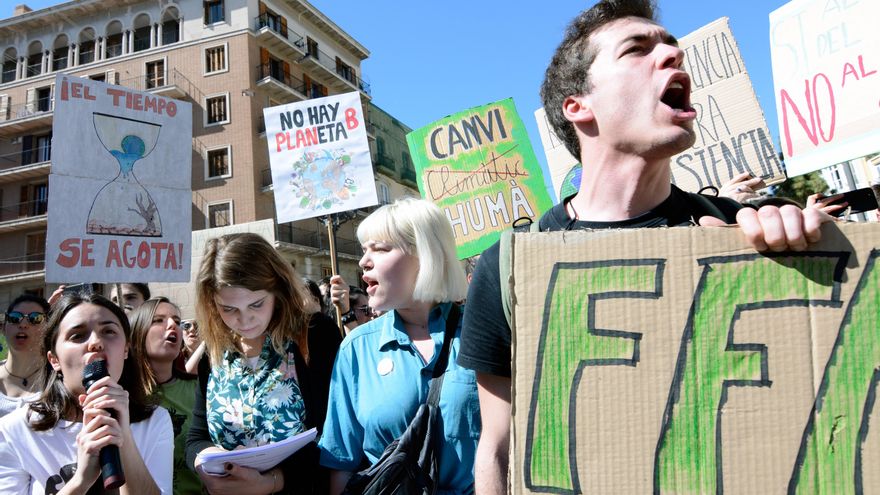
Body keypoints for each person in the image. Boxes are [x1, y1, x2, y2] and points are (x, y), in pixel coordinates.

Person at [456, 1, 835, 492]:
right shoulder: (511, 265)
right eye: (637, 50)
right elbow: (500, 446)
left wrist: (808, 259)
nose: (673, 57)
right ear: (578, 105)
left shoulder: (742, 229)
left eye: (672, 47)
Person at [319, 198, 479, 494]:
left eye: (379, 249)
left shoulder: (483, 333)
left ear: (425, 254)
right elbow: (341, 465)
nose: (363, 262)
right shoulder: (356, 350)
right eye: (364, 250)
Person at [185, 232, 341, 495]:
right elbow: (196, 438)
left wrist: (274, 481)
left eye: (256, 304)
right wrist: (205, 460)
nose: (244, 321)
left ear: (278, 290)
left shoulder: (315, 335)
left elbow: (335, 437)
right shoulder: (213, 352)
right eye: (228, 309)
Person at [0, 293, 173, 494]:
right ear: (54, 359)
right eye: (78, 335)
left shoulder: (155, 420)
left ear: (126, 349)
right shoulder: (14, 430)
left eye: (109, 331)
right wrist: (80, 481)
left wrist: (123, 435)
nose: (96, 342)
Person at [130, 297, 202, 494]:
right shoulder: (123, 396)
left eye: (177, 321)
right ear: (137, 333)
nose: (172, 325)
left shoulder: (200, 389)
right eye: (158, 320)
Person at [0, 294, 50, 417]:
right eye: (14, 318)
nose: (23, 324)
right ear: (4, 328)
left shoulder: (60, 380)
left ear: (49, 329)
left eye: (35, 319)